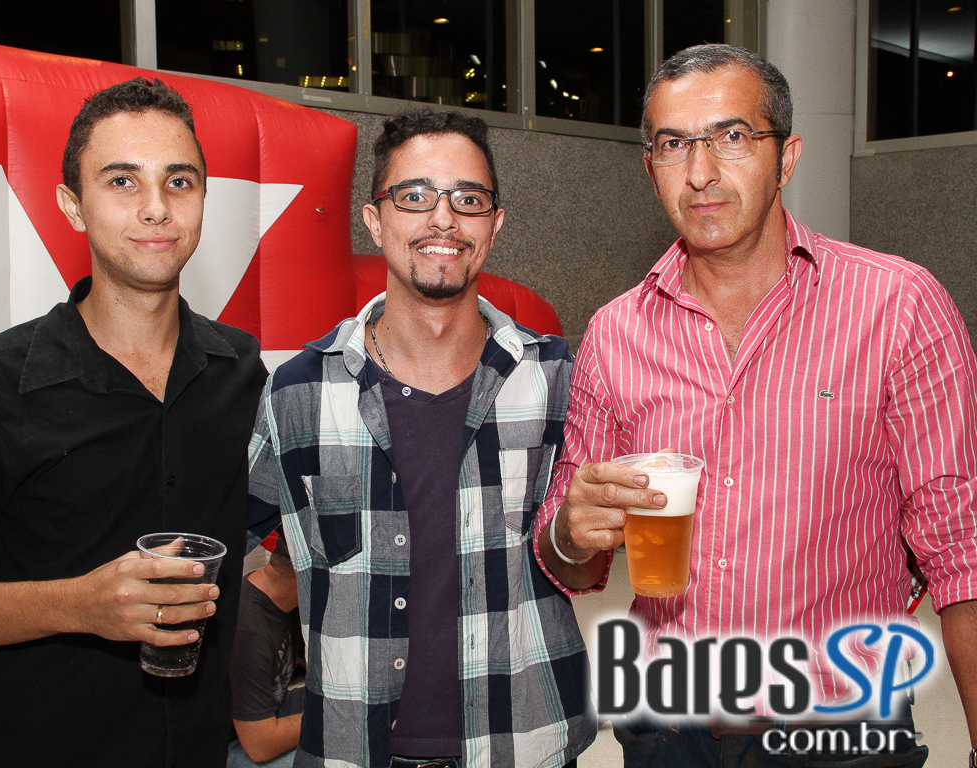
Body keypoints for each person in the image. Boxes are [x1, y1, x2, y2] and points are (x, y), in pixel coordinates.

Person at [535, 44, 977, 766]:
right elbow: (573, 564)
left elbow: (962, 550)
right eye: (674, 144)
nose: (701, 172)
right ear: (651, 169)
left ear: (787, 157)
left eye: (732, 137)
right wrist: (571, 531)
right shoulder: (616, 333)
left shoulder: (897, 307)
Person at [246, 108, 596, 768]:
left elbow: (588, 556)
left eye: (468, 199)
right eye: (414, 196)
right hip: (354, 750)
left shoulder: (559, 380)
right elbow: (223, 541)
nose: (443, 219)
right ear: (374, 220)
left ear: (494, 224)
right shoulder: (298, 391)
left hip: (525, 744)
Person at [0, 78, 268, 767]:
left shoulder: (241, 371)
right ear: (73, 205)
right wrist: (78, 606)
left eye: (179, 181)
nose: (156, 207)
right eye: (123, 181)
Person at [228, 535, 304, 767]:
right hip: (235, 744)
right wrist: (332, 720)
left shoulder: (286, 601)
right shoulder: (248, 627)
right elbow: (260, 746)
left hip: (271, 711)